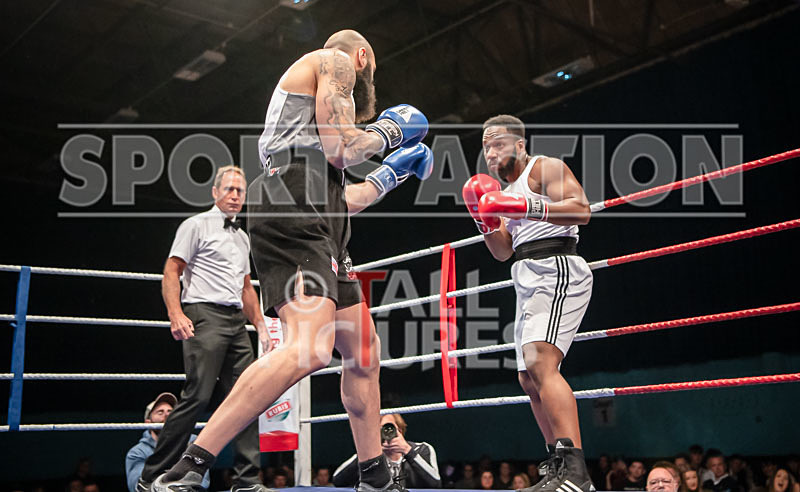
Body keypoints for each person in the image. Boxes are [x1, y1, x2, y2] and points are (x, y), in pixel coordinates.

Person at [153, 29, 432, 492]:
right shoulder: (334, 62)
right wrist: (389, 128)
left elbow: (346, 196)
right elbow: (344, 146)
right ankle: (190, 465)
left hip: (319, 211)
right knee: (309, 349)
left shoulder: (313, 132)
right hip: (292, 201)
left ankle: (375, 477)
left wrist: (392, 172)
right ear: (362, 57)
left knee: (363, 354)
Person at [462, 115, 592, 492]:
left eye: (498, 143)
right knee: (526, 377)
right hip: (525, 275)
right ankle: (557, 466)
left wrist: (526, 207)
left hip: (557, 266)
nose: (490, 152)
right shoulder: (499, 193)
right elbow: (503, 251)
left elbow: (581, 210)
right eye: (486, 147)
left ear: (520, 144)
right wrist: (484, 220)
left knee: (539, 362)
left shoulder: (544, 167)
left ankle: (576, 473)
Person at [136, 165, 271, 492]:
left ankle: (247, 480)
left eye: (241, 190)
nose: (236, 196)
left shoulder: (242, 237)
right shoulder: (195, 225)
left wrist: (261, 326)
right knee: (197, 395)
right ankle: (152, 475)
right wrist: (175, 313)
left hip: (237, 322)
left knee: (250, 396)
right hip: (204, 315)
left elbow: (246, 288)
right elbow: (171, 271)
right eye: (230, 189)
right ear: (215, 192)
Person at [126, 393, 209, 492]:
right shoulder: (138, 452)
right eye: (160, 412)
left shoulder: (192, 441)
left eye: (171, 411)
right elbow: (137, 487)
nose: (167, 415)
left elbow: (201, 481)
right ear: (148, 422)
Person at [332, 413, 441, 489]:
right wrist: (367, 450)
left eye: (389, 428)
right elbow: (337, 480)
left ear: (400, 430)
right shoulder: (370, 455)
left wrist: (408, 451)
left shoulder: (422, 449)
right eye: (379, 429)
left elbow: (435, 483)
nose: (385, 432)